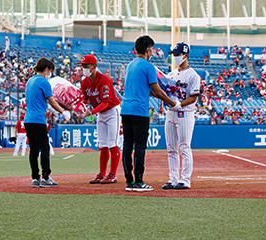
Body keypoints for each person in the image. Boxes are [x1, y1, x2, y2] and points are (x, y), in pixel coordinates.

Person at [120, 35, 179, 192]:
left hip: (125, 109)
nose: (152, 51)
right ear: (147, 50)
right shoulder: (148, 66)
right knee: (140, 146)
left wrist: (161, 96)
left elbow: (148, 90)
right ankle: (139, 180)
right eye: (152, 49)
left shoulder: (130, 65)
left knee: (127, 145)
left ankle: (129, 181)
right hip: (139, 111)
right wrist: (173, 102)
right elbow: (157, 91)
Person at [24, 57, 70, 188]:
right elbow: (52, 101)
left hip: (28, 119)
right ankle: (45, 177)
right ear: (46, 69)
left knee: (33, 150)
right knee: (44, 147)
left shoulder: (30, 81)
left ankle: (35, 178)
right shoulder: (44, 82)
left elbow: (36, 101)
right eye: (50, 71)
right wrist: (62, 112)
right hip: (38, 120)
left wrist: (50, 108)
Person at [162, 42, 200, 190]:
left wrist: (180, 104)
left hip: (185, 113)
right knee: (171, 148)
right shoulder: (171, 74)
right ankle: (173, 178)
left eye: (177, 55)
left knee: (184, 147)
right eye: (173, 55)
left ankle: (185, 179)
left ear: (186, 55)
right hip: (171, 113)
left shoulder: (193, 75)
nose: (175, 57)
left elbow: (194, 97)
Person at [80, 54, 121, 184]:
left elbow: (106, 102)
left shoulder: (104, 80)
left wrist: (90, 112)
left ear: (94, 67)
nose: (84, 68)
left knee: (113, 143)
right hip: (100, 113)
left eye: (86, 66)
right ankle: (102, 174)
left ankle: (112, 174)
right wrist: (79, 107)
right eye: (83, 66)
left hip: (112, 111)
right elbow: (84, 99)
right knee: (103, 144)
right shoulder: (85, 82)